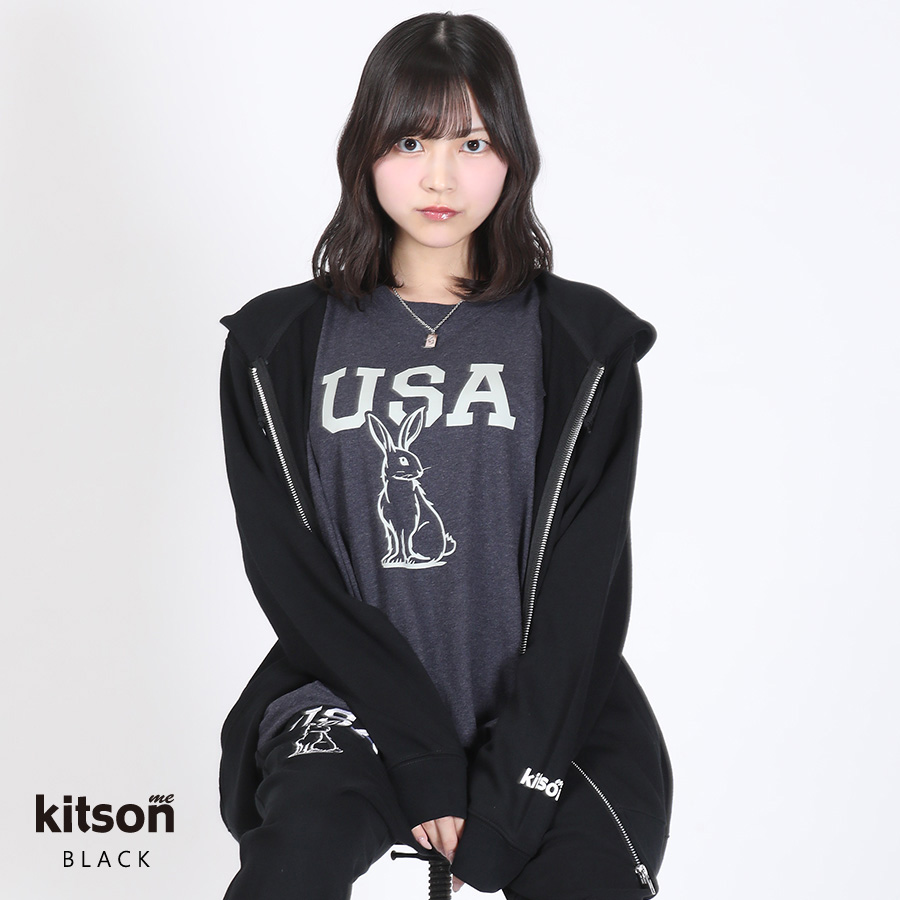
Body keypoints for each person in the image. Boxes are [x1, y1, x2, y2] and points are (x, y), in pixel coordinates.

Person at [217, 11, 673, 900]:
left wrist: (507, 808)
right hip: (347, 700)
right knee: (292, 869)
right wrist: (421, 754)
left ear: (513, 156)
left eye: (472, 142)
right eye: (411, 140)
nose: (440, 176)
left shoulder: (584, 342)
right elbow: (289, 574)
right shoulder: (277, 345)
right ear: (365, 150)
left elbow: (586, 588)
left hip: (550, 718)